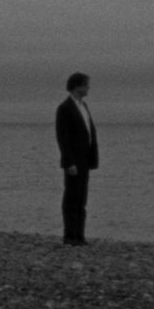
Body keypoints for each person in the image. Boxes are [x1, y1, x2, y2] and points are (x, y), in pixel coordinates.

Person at [54, 72, 99, 245]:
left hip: (85, 159)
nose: (88, 88)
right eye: (86, 85)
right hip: (73, 160)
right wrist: (68, 162)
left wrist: (92, 158)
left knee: (82, 198)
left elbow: (89, 133)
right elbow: (62, 138)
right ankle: (69, 235)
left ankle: (79, 234)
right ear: (77, 86)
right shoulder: (65, 108)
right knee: (71, 197)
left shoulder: (84, 106)